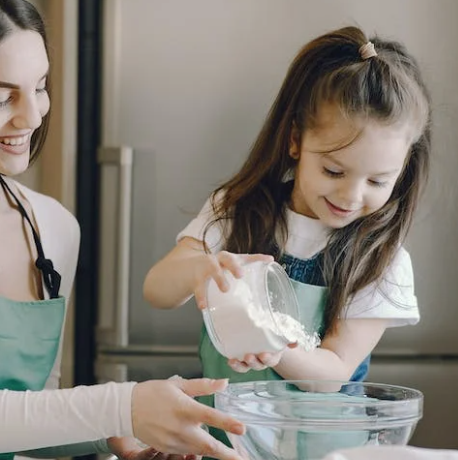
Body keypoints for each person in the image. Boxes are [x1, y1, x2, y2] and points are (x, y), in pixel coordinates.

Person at [0, 0, 247, 459]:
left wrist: (113, 435)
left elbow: (25, 416)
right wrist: (121, 406)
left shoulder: (52, 229)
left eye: (40, 87)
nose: (32, 116)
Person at [143, 26, 431, 448]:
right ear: (296, 140)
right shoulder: (238, 210)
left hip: (323, 451)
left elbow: (332, 376)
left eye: (378, 180)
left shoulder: (382, 260)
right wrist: (198, 271)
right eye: (334, 171)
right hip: (226, 441)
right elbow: (157, 291)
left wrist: (274, 348)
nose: (351, 195)